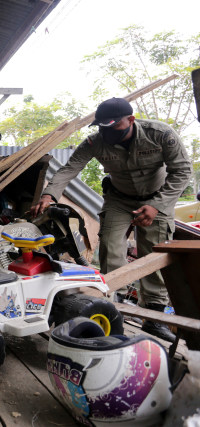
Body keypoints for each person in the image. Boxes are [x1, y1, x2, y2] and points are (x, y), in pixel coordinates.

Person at [30, 97, 192, 342]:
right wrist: (49, 194)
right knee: (110, 246)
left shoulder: (160, 134)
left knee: (154, 254)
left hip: (157, 199)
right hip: (119, 200)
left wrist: (157, 206)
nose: (108, 133)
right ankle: (111, 307)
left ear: (131, 120)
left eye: (114, 127)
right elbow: (69, 169)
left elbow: (182, 170)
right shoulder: (96, 141)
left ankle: (154, 318)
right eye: (103, 128)